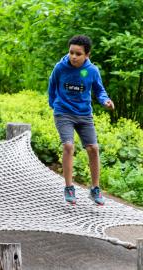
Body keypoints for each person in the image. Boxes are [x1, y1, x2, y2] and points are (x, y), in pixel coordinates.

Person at [48, 35, 115, 205]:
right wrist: (54, 104)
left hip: (84, 114)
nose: (73, 57)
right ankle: (69, 187)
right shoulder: (60, 67)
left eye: (78, 54)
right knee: (68, 145)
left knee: (93, 148)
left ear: (87, 55)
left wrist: (105, 100)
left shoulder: (92, 70)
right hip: (63, 112)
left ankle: (95, 188)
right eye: (71, 52)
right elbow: (52, 85)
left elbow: (99, 90)